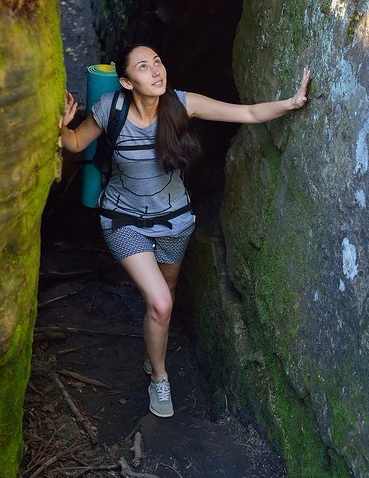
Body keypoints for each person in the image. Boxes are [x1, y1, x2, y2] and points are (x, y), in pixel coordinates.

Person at [59, 44, 310, 418]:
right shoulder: (109, 108)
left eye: (158, 61)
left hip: (175, 219)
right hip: (123, 218)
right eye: (143, 67)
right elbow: (77, 143)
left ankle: (152, 350)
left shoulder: (180, 103)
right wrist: (61, 127)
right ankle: (159, 376)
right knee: (161, 303)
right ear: (127, 81)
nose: (156, 71)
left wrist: (289, 103)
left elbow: (246, 112)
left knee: (167, 294)